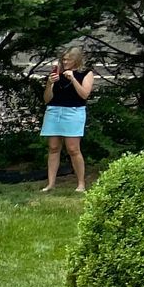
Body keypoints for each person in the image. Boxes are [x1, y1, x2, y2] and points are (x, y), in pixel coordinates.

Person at [41, 47, 98, 194]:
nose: (65, 62)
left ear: (77, 60)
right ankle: (51, 184)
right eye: (64, 59)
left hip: (74, 112)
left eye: (69, 59)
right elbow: (47, 99)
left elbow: (84, 95)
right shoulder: (56, 73)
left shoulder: (86, 74)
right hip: (54, 111)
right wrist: (49, 83)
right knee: (53, 147)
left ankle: (81, 184)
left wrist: (73, 79)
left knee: (73, 149)